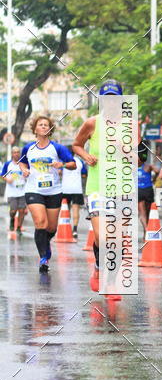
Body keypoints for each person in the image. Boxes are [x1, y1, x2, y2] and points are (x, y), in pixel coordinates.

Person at [72, 80, 126, 293]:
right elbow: (76, 144)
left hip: (121, 188)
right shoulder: (92, 123)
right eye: (107, 98)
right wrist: (86, 156)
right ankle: (97, 266)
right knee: (102, 238)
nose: (110, 102)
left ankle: (111, 282)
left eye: (114, 98)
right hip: (96, 187)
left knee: (118, 241)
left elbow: (140, 158)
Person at [18, 116, 76, 273]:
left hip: (53, 191)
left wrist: (62, 164)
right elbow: (22, 162)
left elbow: (73, 164)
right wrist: (24, 169)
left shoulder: (58, 148)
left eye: (46, 125)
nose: (43, 127)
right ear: (35, 129)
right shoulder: (28, 148)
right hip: (33, 189)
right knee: (40, 223)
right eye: (40, 124)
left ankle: (45, 243)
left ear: (50, 129)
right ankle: (44, 257)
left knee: (51, 228)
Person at [61, 147, 87, 238]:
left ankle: (66, 227)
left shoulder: (63, 161)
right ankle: (75, 230)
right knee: (75, 209)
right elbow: (84, 174)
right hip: (77, 189)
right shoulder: (79, 161)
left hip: (65, 189)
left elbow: (59, 172)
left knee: (65, 210)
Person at [2, 146, 27, 236]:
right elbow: (3, 175)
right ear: (12, 154)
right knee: (13, 210)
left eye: (18, 152)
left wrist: (26, 175)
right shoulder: (8, 164)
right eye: (14, 152)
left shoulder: (23, 164)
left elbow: (28, 173)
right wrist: (7, 179)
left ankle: (19, 228)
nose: (16, 154)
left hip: (22, 191)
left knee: (22, 210)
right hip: (12, 191)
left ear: (20, 154)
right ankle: (12, 220)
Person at [137, 153, 157, 233]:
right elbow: (157, 171)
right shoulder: (148, 166)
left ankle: (146, 229)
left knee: (143, 213)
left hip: (139, 190)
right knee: (148, 213)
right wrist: (154, 179)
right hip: (148, 190)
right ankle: (146, 232)